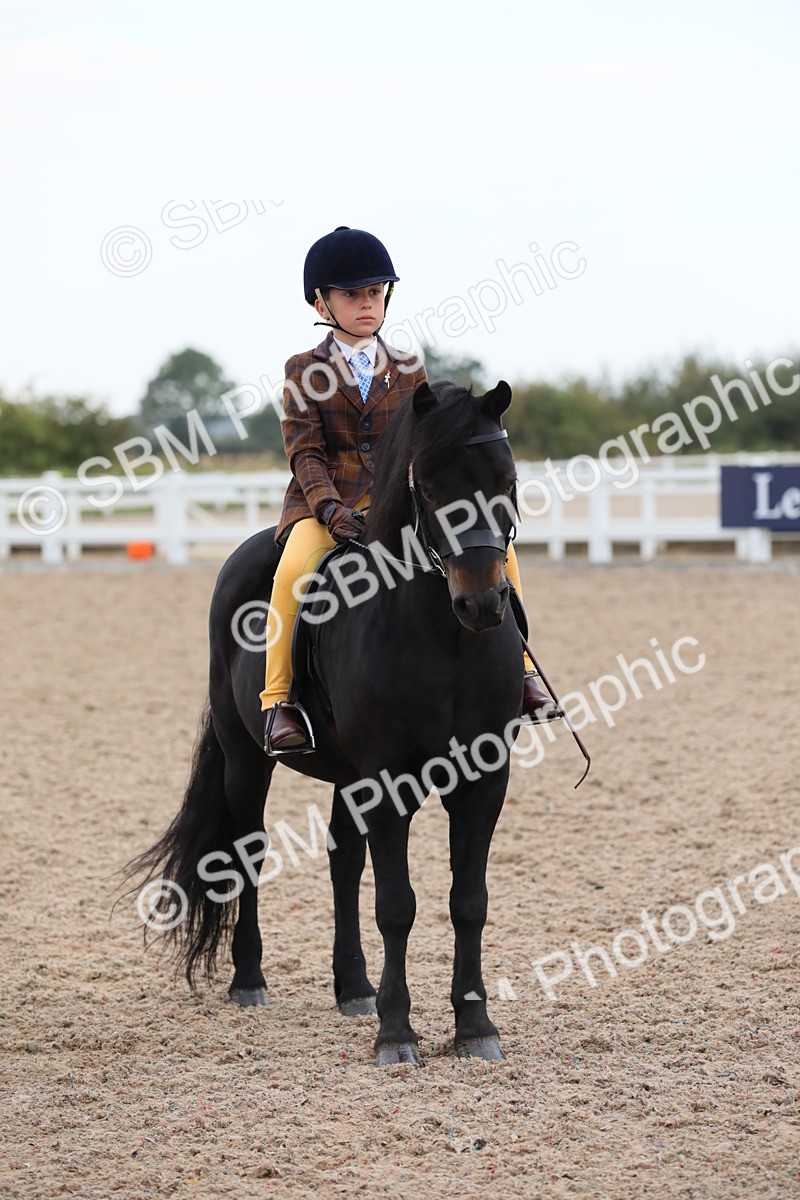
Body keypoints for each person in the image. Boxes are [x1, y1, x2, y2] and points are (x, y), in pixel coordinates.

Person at [261, 225, 559, 754]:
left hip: (397, 503)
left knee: (502, 556)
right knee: (294, 571)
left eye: (374, 293)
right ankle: (280, 703)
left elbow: (426, 443)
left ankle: (525, 672)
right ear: (321, 301)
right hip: (325, 502)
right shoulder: (303, 370)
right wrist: (328, 507)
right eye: (352, 295)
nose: (366, 304)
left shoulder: (407, 367)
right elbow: (305, 451)